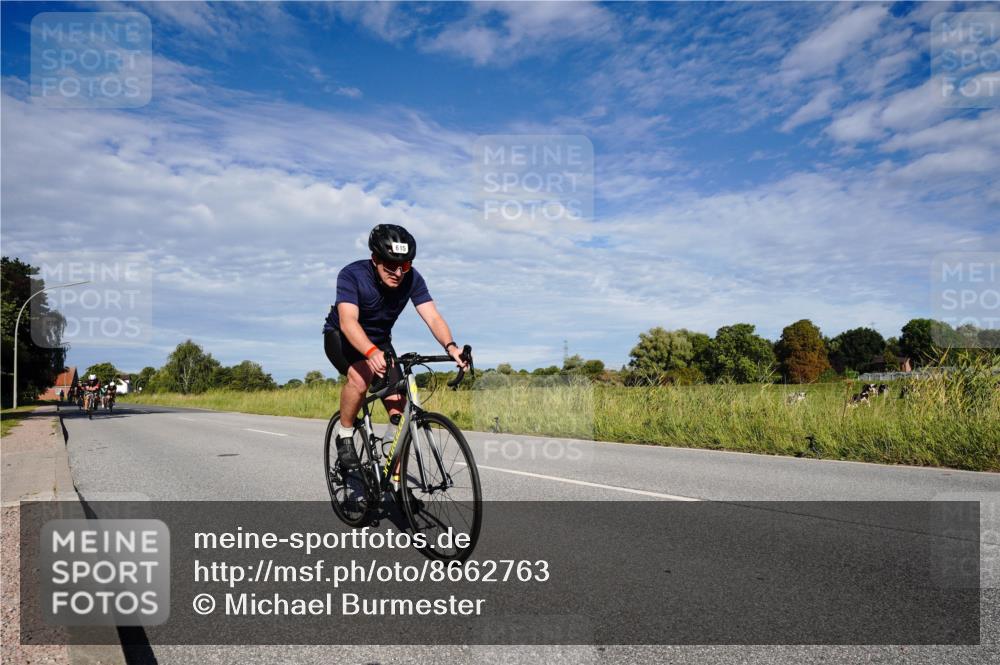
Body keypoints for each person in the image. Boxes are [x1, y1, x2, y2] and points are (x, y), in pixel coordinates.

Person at [323, 224, 467, 470]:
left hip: (380, 341)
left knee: (400, 414)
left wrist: (451, 347)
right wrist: (370, 352)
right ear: (375, 260)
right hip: (342, 337)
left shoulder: (412, 278)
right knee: (360, 377)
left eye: (405, 265)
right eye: (391, 265)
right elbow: (348, 322)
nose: (398, 272)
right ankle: (345, 435)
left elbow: (433, 317)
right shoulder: (352, 275)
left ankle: (394, 481)